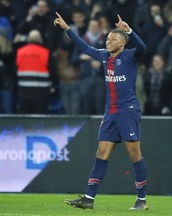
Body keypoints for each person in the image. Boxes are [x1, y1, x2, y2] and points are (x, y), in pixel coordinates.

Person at [54, 12, 148, 211]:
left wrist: (129, 30)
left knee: (134, 154)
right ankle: (89, 198)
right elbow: (85, 47)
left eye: (113, 39)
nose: (109, 42)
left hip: (128, 112)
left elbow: (143, 47)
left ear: (122, 43)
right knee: (101, 153)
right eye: (107, 39)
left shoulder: (130, 55)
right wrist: (68, 30)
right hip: (110, 113)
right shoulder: (104, 56)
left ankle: (141, 199)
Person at [16, 29, 56, 114]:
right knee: (39, 121)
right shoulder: (46, 53)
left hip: (24, 91)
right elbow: (53, 72)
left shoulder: (20, 52)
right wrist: (53, 86)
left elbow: (15, 70)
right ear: (40, 40)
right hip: (42, 92)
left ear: (28, 39)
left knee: (25, 121)